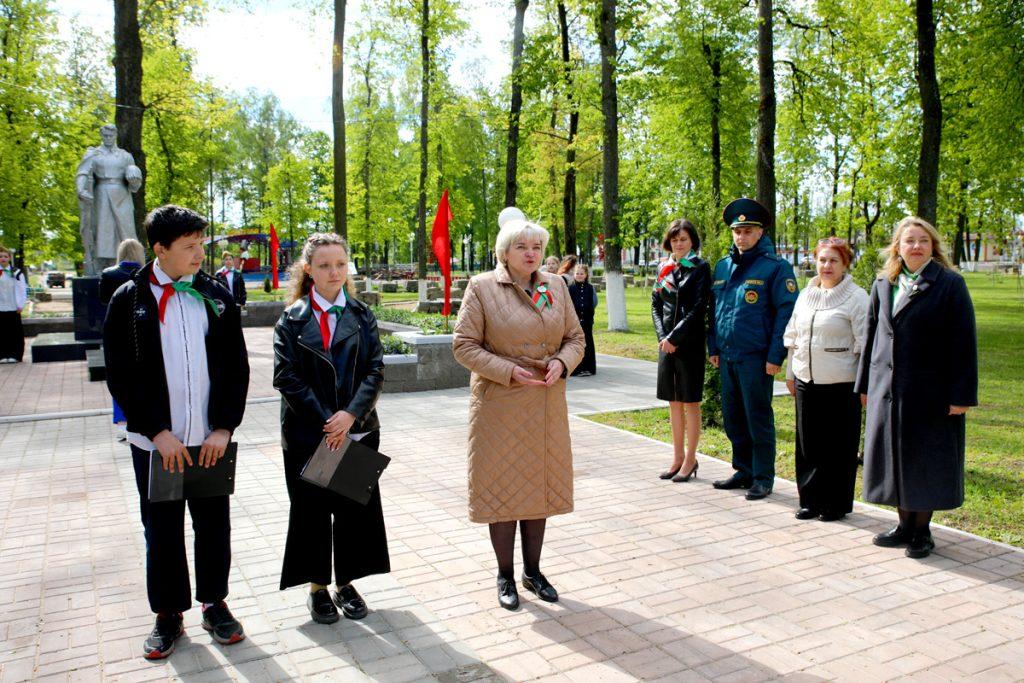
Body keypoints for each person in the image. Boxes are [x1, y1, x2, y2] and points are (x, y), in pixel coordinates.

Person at [103, 205, 250, 660]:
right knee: (162, 528)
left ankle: (215, 603)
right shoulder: (129, 300)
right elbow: (121, 374)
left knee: (213, 524)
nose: (199, 254)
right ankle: (168, 614)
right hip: (159, 444)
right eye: (189, 247)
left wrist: (223, 427)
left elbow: (235, 368)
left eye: (201, 244)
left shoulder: (216, 295)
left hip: (209, 441)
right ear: (159, 249)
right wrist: (156, 431)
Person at [453, 216, 585, 611]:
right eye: (521, 248)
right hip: (500, 405)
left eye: (537, 248)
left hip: (544, 405)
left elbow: (575, 338)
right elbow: (463, 346)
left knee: (538, 488)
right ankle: (505, 574)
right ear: (504, 252)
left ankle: (533, 570)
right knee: (502, 490)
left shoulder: (555, 285)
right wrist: (508, 370)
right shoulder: (482, 288)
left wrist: (564, 361)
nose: (531, 254)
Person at [273, 232, 389, 624]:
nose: (334, 271)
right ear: (308, 270)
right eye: (324, 265)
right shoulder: (291, 320)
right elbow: (286, 377)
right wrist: (327, 419)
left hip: (356, 430)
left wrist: (350, 416)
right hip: (310, 434)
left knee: (354, 510)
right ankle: (318, 588)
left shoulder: (362, 315)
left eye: (340, 264)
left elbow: (375, 370)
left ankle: (347, 583)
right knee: (312, 512)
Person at [856, 217, 977, 558]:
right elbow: (871, 337)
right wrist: (865, 384)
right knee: (892, 458)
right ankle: (903, 525)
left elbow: (964, 343)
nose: (916, 246)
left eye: (923, 240)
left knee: (924, 460)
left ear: (933, 245)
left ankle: (922, 531)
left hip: (930, 392)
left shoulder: (950, 284)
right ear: (898, 246)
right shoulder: (884, 283)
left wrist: (962, 395)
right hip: (887, 389)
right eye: (909, 240)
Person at [708, 198, 798, 500]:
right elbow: (715, 310)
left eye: (748, 231)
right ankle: (743, 470)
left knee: (757, 417)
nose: (741, 236)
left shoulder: (776, 268)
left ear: (760, 232)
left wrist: (776, 356)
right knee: (733, 417)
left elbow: (786, 314)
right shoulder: (723, 265)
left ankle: (762, 477)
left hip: (757, 358)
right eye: (737, 231)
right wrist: (714, 346)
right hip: (728, 355)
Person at [783, 237, 869, 521]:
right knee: (808, 444)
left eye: (834, 260)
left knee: (839, 446)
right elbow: (794, 335)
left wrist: (864, 384)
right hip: (807, 379)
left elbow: (866, 343)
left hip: (842, 384)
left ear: (845, 264)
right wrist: (791, 374)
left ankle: (835, 503)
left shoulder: (857, 297)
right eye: (822, 260)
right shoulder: (806, 294)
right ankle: (809, 499)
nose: (827, 265)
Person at [651, 219, 711, 482]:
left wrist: (676, 337)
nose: (678, 243)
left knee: (690, 401)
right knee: (673, 402)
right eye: (674, 239)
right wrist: (664, 336)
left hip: (690, 344)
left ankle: (690, 459)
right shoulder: (663, 268)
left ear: (692, 241)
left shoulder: (699, 267)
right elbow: (655, 305)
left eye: (683, 239)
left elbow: (699, 307)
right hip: (667, 345)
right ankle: (676, 458)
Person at [100, 238, 146, 441]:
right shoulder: (146, 274)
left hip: (117, 332)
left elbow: (102, 299)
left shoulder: (109, 274)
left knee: (119, 377)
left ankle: (121, 422)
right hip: (141, 331)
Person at [567, 264, 598, 376]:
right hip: (574, 321)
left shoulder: (590, 288)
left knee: (588, 343)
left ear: (586, 275)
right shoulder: (570, 288)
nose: (579, 275)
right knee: (576, 344)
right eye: (577, 273)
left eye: (582, 274)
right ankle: (576, 369)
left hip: (587, 320)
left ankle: (588, 368)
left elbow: (594, 302)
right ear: (574, 275)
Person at [0, 245, 28, 363]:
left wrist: (20, 305)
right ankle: (2, 355)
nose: (3, 259)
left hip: (13, 307)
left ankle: (15, 355)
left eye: (5, 256)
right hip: (1, 306)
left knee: (14, 332)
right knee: (2, 332)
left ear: (9, 258)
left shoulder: (16, 272)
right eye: (0, 257)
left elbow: (22, 289)